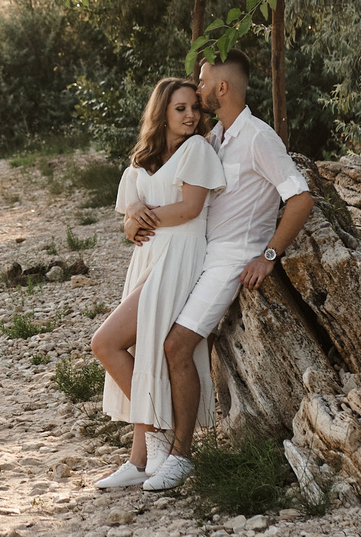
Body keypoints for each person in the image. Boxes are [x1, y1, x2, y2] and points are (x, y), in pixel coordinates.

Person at [118, 51, 317, 486]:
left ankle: (182, 455)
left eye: (204, 81)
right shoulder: (215, 138)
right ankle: (146, 450)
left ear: (221, 88)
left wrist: (268, 256)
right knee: (152, 339)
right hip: (196, 257)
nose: (199, 86)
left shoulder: (259, 138)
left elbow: (300, 197)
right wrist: (133, 211)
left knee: (176, 345)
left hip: (230, 260)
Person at [87, 78, 225, 491]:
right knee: (138, 349)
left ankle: (160, 435)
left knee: (106, 342)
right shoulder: (143, 160)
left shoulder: (197, 150)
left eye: (194, 109)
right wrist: (132, 222)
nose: (190, 115)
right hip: (147, 258)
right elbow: (128, 214)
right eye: (181, 108)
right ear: (162, 111)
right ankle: (141, 456)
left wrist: (142, 218)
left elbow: (190, 208)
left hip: (180, 257)